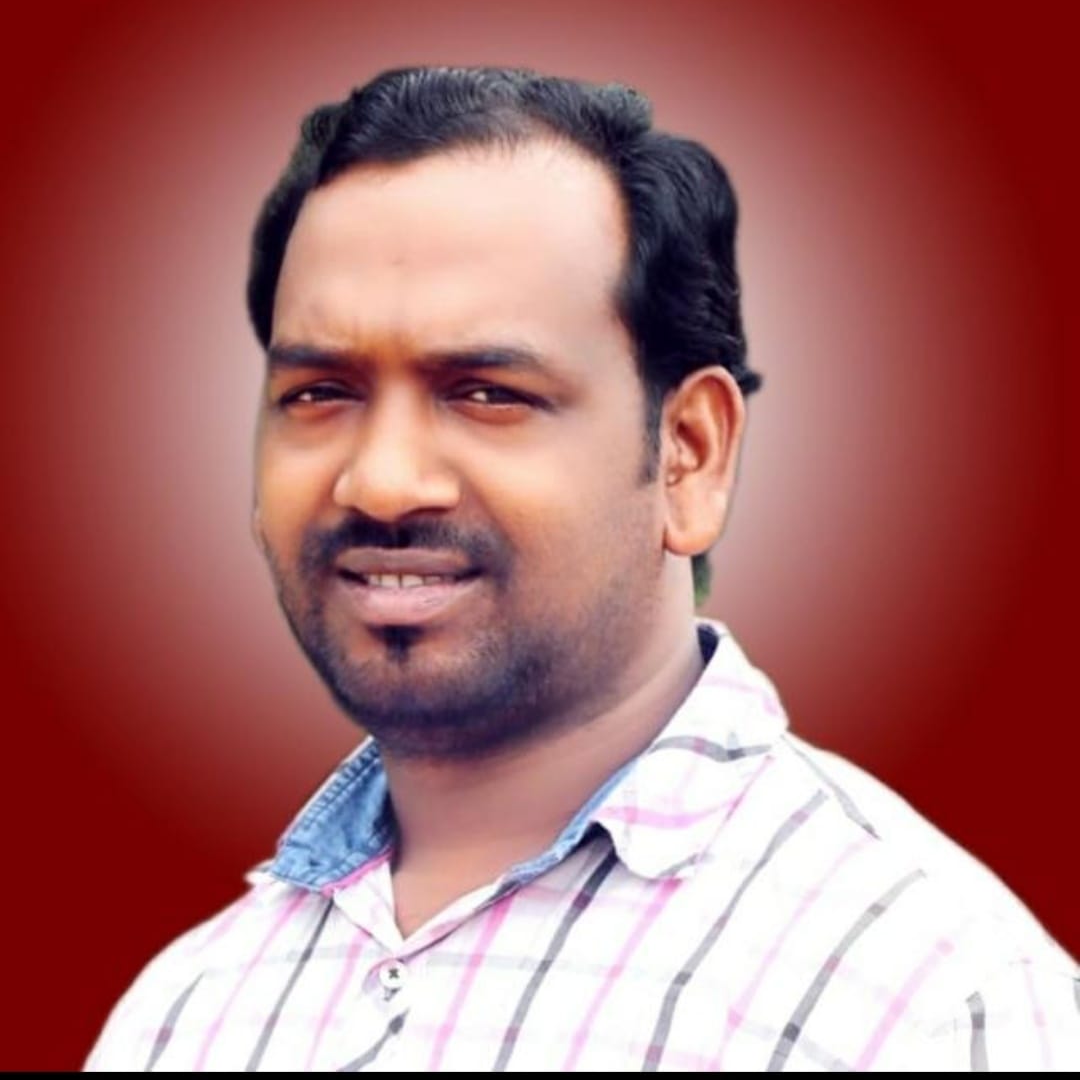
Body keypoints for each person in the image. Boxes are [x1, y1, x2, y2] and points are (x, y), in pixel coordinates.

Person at [85, 66, 1078, 1072]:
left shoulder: (923, 1006)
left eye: (487, 392)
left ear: (688, 453)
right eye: (320, 392)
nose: (380, 481)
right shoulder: (184, 1014)